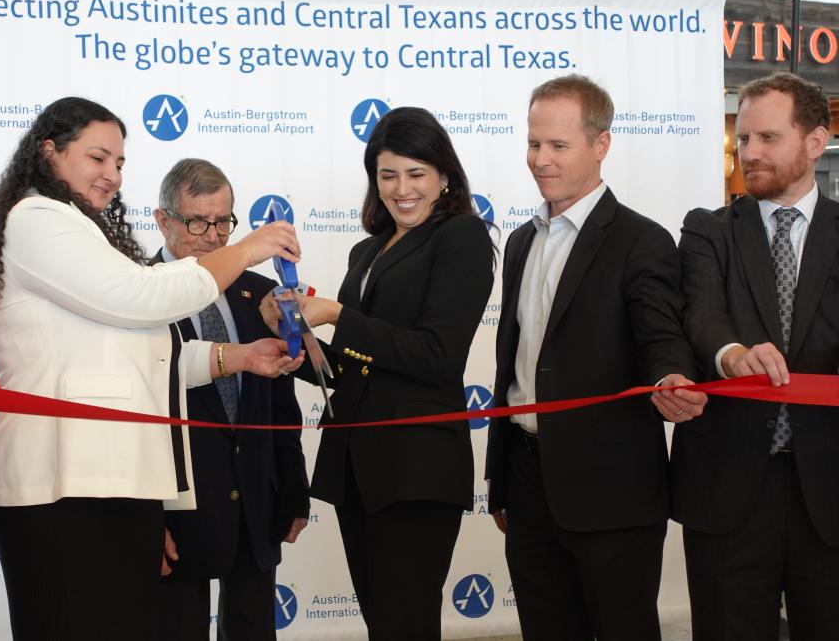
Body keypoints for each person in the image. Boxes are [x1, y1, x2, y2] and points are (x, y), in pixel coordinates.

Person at [0, 97, 302, 640]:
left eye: (119, 163)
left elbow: (146, 350)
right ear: (50, 151)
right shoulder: (35, 218)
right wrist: (244, 250)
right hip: (59, 482)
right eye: (98, 158)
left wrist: (237, 357)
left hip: (99, 479)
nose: (112, 175)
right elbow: (140, 299)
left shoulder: (78, 226)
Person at [483, 74, 706, 641]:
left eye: (558, 145)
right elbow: (516, 363)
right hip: (528, 483)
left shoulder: (641, 241)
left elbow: (660, 335)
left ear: (600, 145)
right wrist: (502, 480)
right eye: (534, 143)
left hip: (612, 494)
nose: (540, 159)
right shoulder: (520, 241)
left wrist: (671, 376)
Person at [260, 106, 494, 640]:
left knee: (405, 624)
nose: (401, 188)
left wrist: (341, 315)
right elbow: (357, 368)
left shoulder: (461, 236)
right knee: (382, 625)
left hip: (416, 468)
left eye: (416, 174)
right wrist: (296, 342)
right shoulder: (366, 250)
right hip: (358, 464)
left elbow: (436, 357)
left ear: (444, 176)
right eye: (387, 175)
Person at [673, 72, 838, 641]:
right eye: (743, 139)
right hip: (729, 487)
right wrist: (731, 354)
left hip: (830, 488)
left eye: (767, 138)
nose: (750, 153)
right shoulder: (707, 230)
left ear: (815, 142)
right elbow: (700, 314)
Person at [151, 158, 310, 640]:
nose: (214, 236)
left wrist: (294, 490)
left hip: (256, 505)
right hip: (177, 513)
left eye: (224, 222)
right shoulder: (140, 294)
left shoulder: (262, 293)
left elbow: (281, 403)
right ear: (162, 220)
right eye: (197, 221)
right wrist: (142, 522)